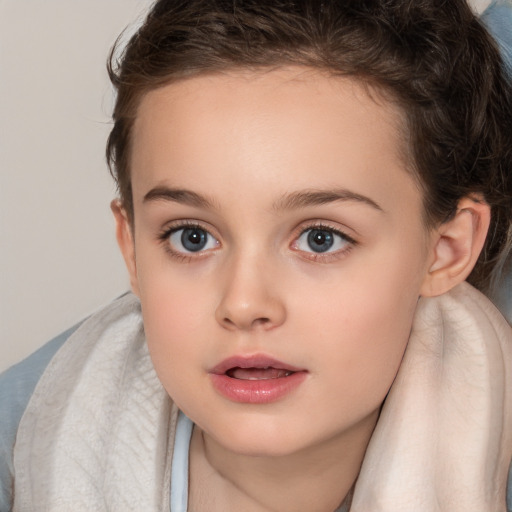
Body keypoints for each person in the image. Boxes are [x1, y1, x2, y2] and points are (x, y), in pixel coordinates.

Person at [2, 0, 512, 510]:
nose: (244, 304)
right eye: (191, 237)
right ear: (132, 248)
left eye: (320, 239)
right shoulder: (21, 445)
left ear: (447, 249)